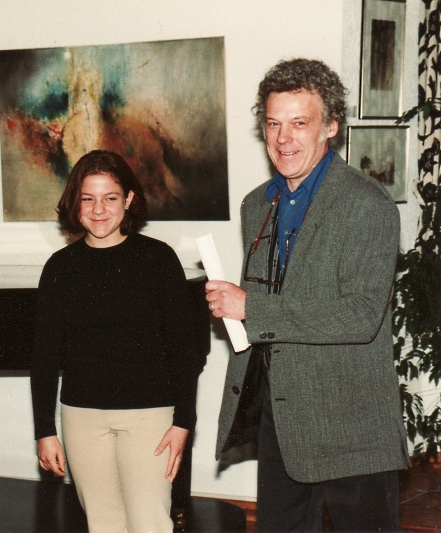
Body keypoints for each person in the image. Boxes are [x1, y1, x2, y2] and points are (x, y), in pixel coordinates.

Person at [206, 59, 410, 532]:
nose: (283, 139)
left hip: (354, 430)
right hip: (283, 424)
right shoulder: (257, 204)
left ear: (330, 127)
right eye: (273, 124)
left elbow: (361, 316)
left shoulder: (367, 205)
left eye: (299, 123)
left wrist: (250, 308)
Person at [31, 150, 198, 533]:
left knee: (149, 523)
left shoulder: (158, 259)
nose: (99, 210)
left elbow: (183, 350)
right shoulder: (60, 267)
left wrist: (183, 422)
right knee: (102, 524)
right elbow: (44, 357)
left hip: (150, 416)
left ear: (129, 199)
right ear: (75, 203)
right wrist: (44, 430)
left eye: (110, 198)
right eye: (87, 198)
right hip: (82, 417)